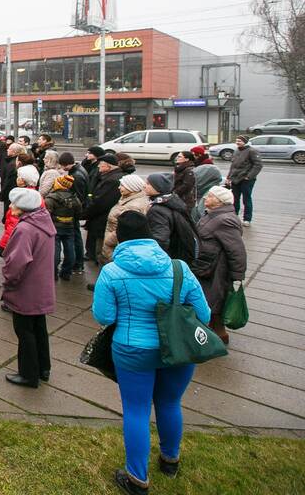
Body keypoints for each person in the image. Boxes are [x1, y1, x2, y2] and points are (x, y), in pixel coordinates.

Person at [92, 211, 210, 494]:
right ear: (150, 235)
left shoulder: (112, 271)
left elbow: (104, 316)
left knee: (136, 410)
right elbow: (204, 314)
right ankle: (170, 460)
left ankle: (137, 478)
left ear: (120, 236)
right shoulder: (179, 268)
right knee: (170, 403)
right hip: (179, 347)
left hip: (132, 348)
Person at [1, 187, 56, 388]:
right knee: (39, 329)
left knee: (25, 332)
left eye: (13, 203)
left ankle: (28, 374)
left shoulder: (25, 229)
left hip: (27, 289)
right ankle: (43, 368)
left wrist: (7, 281)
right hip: (40, 286)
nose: (11, 206)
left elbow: (16, 264)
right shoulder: (43, 221)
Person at [194, 186, 247, 345]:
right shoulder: (211, 214)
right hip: (207, 265)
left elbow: (236, 249)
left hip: (217, 268)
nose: (205, 199)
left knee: (215, 300)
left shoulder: (225, 220)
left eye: (210, 196)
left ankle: (218, 336)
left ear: (219, 201)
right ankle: (216, 334)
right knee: (212, 300)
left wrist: (237, 273)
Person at [145, 173, 199, 266]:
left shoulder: (157, 210)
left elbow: (160, 239)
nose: (144, 186)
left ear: (158, 187)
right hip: (180, 254)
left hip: (169, 257)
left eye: (148, 184)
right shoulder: (172, 201)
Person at [101, 174, 151, 266]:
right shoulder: (127, 198)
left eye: (122, 185)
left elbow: (126, 230)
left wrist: (109, 240)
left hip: (116, 248)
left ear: (132, 187)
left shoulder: (133, 206)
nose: (119, 187)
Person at [83, 155, 123, 271]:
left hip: (102, 220)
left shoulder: (112, 180)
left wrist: (84, 214)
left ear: (109, 166)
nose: (99, 166)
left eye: (101, 164)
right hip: (102, 218)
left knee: (102, 252)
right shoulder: (111, 177)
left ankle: (103, 282)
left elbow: (101, 202)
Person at [44, 174, 83, 281]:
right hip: (69, 227)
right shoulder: (74, 198)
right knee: (70, 249)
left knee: (55, 251)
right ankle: (66, 272)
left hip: (54, 227)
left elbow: (46, 214)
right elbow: (79, 213)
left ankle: (53, 273)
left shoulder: (51, 198)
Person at [0, 164, 40, 256]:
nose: (16, 178)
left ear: (24, 180)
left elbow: (13, 225)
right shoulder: (35, 195)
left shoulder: (22, 198)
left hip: (15, 241)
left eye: (18, 177)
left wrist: (3, 245)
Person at [58, 152, 88, 277]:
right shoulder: (79, 170)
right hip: (75, 211)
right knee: (75, 237)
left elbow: (78, 197)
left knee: (75, 238)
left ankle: (77, 264)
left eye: (61, 166)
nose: (61, 168)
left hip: (73, 213)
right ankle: (77, 263)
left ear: (65, 164)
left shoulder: (77, 176)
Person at [225, 135, 262, 227]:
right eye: (237, 141)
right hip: (235, 179)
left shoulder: (252, 151)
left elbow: (258, 165)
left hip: (246, 180)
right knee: (234, 199)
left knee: (247, 199)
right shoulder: (236, 151)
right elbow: (233, 166)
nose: (238, 142)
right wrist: (229, 177)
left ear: (245, 142)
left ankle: (247, 219)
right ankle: (234, 216)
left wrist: (249, 177)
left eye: (240, 141)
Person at [189, 145, 223, 223]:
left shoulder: (207, 165)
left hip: (204, 191)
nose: (192, 156)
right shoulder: (200, 163)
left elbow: (199, 179)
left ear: (199, 155)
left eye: (193, 154)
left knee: (201, 210)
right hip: (203, 191)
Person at [0, 143, 23, 225]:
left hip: (9, 193)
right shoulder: (11, 161)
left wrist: (2, 194)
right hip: (9, 192)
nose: (7, 150)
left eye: (9, 149)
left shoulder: (12, 164)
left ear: (14, 152)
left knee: (9, 215)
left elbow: (8, 182)